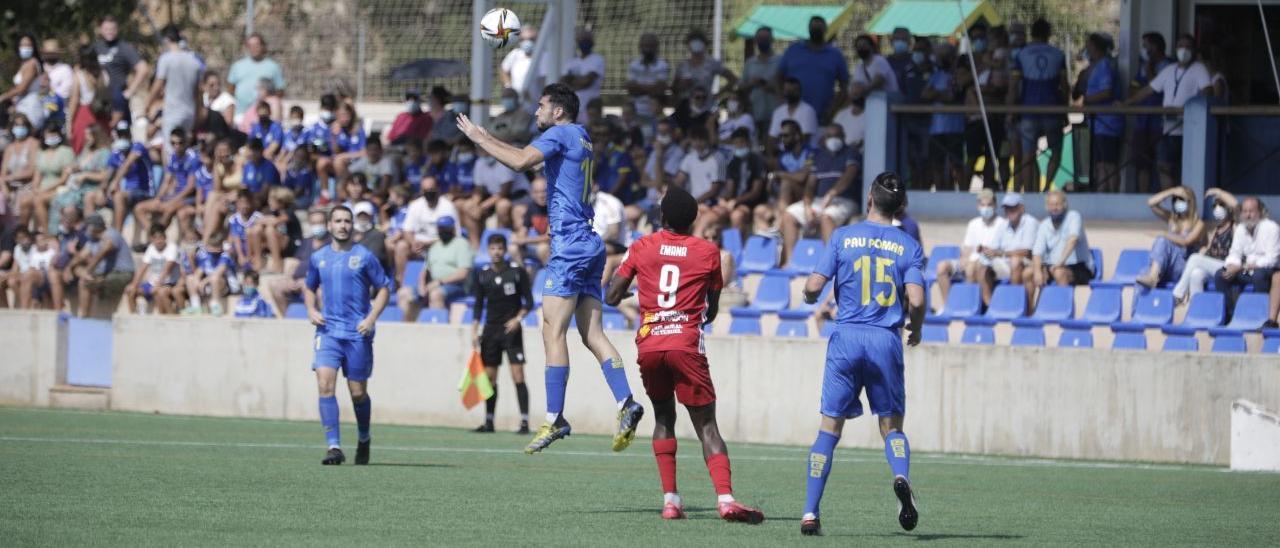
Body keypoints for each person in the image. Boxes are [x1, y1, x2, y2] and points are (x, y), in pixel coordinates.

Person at [456, 82, 645, 454]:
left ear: (558, 111)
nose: (536, 111)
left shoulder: (560, 132)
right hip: (590, 246)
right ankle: (626, 402)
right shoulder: (581, 136)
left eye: (541, 106)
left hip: (571, 244)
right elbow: (531, 159)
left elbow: (520, 160)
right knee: (592, 334)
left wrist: (481, 138)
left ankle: (554, 416)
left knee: (551, 329)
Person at [604, 187, 764, 524]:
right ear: (693, 220)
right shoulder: (709, 253)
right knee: (707, 425)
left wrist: (635, 285)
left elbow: (612, 296)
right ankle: (725, 499)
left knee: (664, 419)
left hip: (649, 345)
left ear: (662, 217)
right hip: (685, 343)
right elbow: (713, 311)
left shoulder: (641, 247)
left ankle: (671, 502)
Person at [798, 172, 924, 537]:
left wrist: (809, 297)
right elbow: (915, 300)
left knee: (828, 429)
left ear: (870, 196)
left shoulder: (841, 236)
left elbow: (813, 286)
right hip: (885, 339)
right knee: (891, 427)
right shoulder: (908, 244)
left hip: (847, 337)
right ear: (900, 206)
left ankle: (809, 513)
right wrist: (917, 326)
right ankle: (900, 476)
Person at [304, 205, 392, 465]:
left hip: (356, 333)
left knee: (357, 393)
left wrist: (371, 318)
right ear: (330, 225)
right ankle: (334, 447)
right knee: (324, 385)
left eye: (347, 221)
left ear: (352, 226)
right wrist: (310, 309)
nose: (342, 225)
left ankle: (364, 437)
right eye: (338, 221)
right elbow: (309, 287)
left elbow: (384, 288)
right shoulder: (318, 257)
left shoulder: (364, 256)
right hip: (328, 332)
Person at [1125, 34, 1214, 190]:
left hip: (1190, 129)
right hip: (1168, 128)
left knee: (1190, 168)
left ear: (1193, 50)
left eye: (1188, 47)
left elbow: (1208, 92)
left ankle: (1187, 205)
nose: (1184, 50)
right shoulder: (1169, 70)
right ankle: (1170, 202)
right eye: (1180, 46)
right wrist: (1127, 103)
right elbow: (1148, 90)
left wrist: (1190, 109)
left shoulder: (1198, 69)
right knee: (1164, 167)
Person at [471, 233, 534, 434]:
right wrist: (474, 330)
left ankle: (524, 422)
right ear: (488, 251)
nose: (496, 252)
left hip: (511, 330)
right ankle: (489, 421)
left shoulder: (516, 272)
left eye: (499, 248)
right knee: (489, 378)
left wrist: (518, 319)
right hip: (490, 330)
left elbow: (529, 302)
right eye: (493, 248)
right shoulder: (483, 273)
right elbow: (479, 305)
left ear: (505, 250)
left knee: (518, 375)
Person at [1008, 18, 1068, 193]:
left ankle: (1030, 192)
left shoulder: (1022, 54)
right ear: (1048, 33)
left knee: (1028, 155)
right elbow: (1064, 86)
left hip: (1028, 111)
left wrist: (1011, 111)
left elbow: (1013, 86)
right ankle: (1047, 187)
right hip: (1053, 110)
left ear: (1031, 33)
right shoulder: (1058, 54)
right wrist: (1064, 109)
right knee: (1056, 152)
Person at [783, 124, 859, 255]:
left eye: (837, 136)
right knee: (789, 214)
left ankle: (830, 265)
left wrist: (831, 194)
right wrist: (807, 206)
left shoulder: (851, 153)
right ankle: (790, 262)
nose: (833, 139)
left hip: (845, 200)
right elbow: (810, 185)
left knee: (826, 217)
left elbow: (848, 176)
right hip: (819, 201)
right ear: (825, 138)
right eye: (829, 136)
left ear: (844, 137)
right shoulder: (819, 156)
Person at [936, 190, 1005, 306]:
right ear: (978, 206)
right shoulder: (973, 224)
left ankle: (970, 306)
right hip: (971, 260)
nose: (986, 208)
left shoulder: (1002, 224)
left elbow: (1001, 251)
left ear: (995, 205)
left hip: (991, 262)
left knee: (972, 268)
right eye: (983, 205)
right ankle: (948, 307)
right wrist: (964, 259)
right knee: (941, 267)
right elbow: (967, 248)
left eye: (989, 205)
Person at [1214, 197, 1278, 322]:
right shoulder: (1240, 229)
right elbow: (1234, 253)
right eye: (1245, 211)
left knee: (1259, 276)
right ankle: (1229, 316)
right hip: (1246, 269)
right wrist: (1231, 266)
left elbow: (1272, 259)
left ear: (1259, 212)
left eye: (1251, 211)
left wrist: (1243, 266)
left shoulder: (1271, 228)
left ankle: (1260, 316)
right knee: (1220, 275)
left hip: (1267, 270)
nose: (1248, 215)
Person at [398, 216, 472, 320]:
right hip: (433, 284)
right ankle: (405, 329)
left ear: (452, 229)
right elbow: (425, 270)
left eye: (445, 228)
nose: (442, 231)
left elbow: (463, 273)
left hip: (456, 286)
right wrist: (422, 286)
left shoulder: (461, 244)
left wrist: (439, 282)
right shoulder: (435, 246)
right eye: (440, 228)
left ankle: (437, 328)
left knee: (436, 294)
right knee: (404, 293)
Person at [777, 16, 849, 121]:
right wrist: (781, 98)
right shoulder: (794, 50)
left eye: (819, 28)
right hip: (792, 115)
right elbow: (778, 76)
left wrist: (833, 109)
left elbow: (844, 86)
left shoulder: (835, 55)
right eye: (813, 28)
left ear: (825, 30)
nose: (816, 31)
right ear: (808, 30)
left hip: (822, 116)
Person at [1172, 188, 1236, 303]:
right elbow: (1208, 250)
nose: (1217, 208)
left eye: (1221, 205)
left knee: (1195, 258)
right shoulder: (1215, 230)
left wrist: (1218, 192)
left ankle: (1178, 294)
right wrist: (1204, 250)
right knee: (1196, 274)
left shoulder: (1235, 227)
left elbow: (1235, 204)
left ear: (1228, 208)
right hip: (1214, 268)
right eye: (1214, 206)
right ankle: (1196, 310)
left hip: (1229, 267)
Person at [1079, 33, 1124, 193]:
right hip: (1097, 124)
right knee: (1099, 163)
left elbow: (1106, 92)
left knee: (1109, 163)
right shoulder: (1095, 66)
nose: (1087, 49)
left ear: (1095, 47)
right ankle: (1101, 192)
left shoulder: (1105, 65)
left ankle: (1112, 195)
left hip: (1108, 124)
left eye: (1089, 45)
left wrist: (1088, 100)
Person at [133, 129, 199, 238]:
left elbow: (191, 187)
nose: (176, 146)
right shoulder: (173, 156)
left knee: (169, 209)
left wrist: (173, 200)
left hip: (189, 197)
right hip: (176, 196)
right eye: (173, 143)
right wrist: (158, 198)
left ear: (186, 142)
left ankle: (158, 238)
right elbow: (167, 181)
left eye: (180, 143)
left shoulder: (192, 158)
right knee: (139, 208)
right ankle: (155, 237)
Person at [1128, 33, 1173, 194]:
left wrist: (1149, 72)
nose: (1144, 49)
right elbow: (1133, 88)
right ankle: (1143, 197)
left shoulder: (1168, 66)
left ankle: (1165, 199)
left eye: (1146, 45)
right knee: (1142, 163)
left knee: (1163, 164)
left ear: (1155, 47)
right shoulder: (1142, 66)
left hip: (1160, 123)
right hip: (1142, 122)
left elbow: (1157, 88)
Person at [149, 25, 202, 151]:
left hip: (173, 111)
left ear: (167, 40)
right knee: (184, 149)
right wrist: (198, 112)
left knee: (170, 150)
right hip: (189, 112)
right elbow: (197, 92)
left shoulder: (166, 59)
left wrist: (148, 104)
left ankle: (170, 171)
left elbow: (158, 84)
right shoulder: (194, 61)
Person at [1136, 186, 1201, 289]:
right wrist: (1171, 191)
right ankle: (1139, 303)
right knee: (1143, 273)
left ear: (1190, 201)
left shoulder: (1198, 224)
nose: (1178, 202)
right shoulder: (1172, 218)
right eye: (1175, 199)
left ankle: (1153, 277)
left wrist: (1165, 234)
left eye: (1181, 199)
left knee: (1162, 239)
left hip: (1184, 267)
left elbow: (1186, 242)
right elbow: (1151, 203)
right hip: (1167, 267)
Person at [72, 214, 135, 318]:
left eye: (87, 227)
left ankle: (84, 317)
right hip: (107, 274)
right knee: (80, 273)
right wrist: (68, 268)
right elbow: (81, 256)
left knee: (87, 282)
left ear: (93, 227)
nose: (86, 230)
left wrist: (88, 270)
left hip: (122, 274)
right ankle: (84, 317)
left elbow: (102, 253)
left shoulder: (111, 234)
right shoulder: (93, 240)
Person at [1032, 190, 1094, 291]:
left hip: (1078, 266)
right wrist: (1037, 271)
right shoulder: (1044, 224)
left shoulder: (1073, 216)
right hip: (1052, 265)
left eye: (1057, 204)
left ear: (1064, 205)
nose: (1054, 208)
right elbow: (1037, 252)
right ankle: (1032, 306)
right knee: (1029, 273)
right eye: (1051, 205)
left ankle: (1064, 305)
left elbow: (1072, 240)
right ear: (1047, 206)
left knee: (1059, 272)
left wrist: (1059, 263)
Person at [984, 193, 1039, 308]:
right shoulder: (1003, 225)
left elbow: (1026, 251)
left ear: (1021, 208)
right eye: (1007, 208)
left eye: (1013, 207)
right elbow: (993, 247)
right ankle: (988, 306)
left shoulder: (1030, 222)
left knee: (1015, 261)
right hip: (1005, 262)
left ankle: (1015, 305)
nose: (1009, 211)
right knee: (979, 264)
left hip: (1027, 262)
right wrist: (987, 252)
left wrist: (1000, 253)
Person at [227, 33, 285, 127]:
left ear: (262, 46)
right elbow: (230, 89)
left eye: (256, 45)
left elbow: (280, 91)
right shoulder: (238, 66)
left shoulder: (273, 67)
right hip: (241, 114)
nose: (254, 48)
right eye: (251, 46)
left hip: (264, 115)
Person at [104, 120, 153, 233]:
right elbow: (108, 173)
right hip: (128, 193)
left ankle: (117, 235)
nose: (123, 137)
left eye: (125, 134)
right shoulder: (116, 153)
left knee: (119, 196)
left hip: (144, 191)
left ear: (130, 134)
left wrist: (115, 182)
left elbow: (127, 164)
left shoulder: (138, 147)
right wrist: (104, 188)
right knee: (92, 196)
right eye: (120, 134)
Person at [672, 29, 737, 105]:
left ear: (705, 44)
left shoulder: (712, 63)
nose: (696, 44)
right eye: (693, 40)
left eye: (699, 41)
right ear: (688, 44)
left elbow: (733, 79)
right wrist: (681, 86)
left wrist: (717, 95)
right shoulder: (682, 66)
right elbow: (674, 88)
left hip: (706, 107)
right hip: (685, 108)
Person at [124, 225, 180, 314]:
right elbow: (142, 268)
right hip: (152, 284)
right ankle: (134, 316)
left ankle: (165, 317)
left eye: (161, 238)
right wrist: (134, 284)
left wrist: (158, 285)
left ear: (165, 238)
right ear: (151, 239)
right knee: (130, 290)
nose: (158, 241)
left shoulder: (172, 247)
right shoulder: (151, 248)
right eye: (155, 238)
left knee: (159, 293)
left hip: (168, 283)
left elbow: (167, 269)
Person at [625, 33, 670, 139]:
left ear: (656, 47)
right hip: (636, 111)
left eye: (650, 45)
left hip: (655, 113)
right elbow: (630, 88)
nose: (647, 49)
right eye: (645, 45)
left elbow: (660, 88)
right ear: (640, 47)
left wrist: (639, 88)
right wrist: (651, 88)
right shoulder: (634, 64)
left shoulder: (662, 64)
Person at [1, 33, 47, 132]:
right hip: (21, 105)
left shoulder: (32, 64)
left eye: (28, 45)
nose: (25, 48)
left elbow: (22, 88)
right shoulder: (23, 64)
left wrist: (3, 96)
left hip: (30, 107)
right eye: (23, 45)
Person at [562, 28, 605, 124]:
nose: (584, 42)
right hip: (572, 109)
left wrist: (571, 81)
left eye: (587, 39)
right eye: (581, 40)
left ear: (592, 42)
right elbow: (562, 81)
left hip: (591, 109)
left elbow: (587, 81)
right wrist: (578, 81)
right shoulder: (571, 61)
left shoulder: (597, 60)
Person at [501, 26, 547, 108]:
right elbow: (504, 69)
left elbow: (544, 79)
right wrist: (508, 87)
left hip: (537, 104)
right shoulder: (515, 54)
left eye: (531, 39)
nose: (527, 42)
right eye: (523, 39)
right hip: (517, 103)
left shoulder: (544, 56)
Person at [769, 77, 819, 146]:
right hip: (781, 154)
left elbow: (804, 138)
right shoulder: (778, 112)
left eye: (793, 91)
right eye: (787, 91)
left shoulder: (808, 110)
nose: (790, 93)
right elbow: (772, 138)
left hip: (804, 153)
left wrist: (781, 138)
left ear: (799, 92)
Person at [850, 34, 900, 100]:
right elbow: (856, 83)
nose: (861, 48)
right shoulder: (860, 66)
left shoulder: (879, 60)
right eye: (859, 46)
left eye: (864, 45)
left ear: (872, 47)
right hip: (873, 101)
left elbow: (879, 81)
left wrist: (862, 90)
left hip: (888, 100)